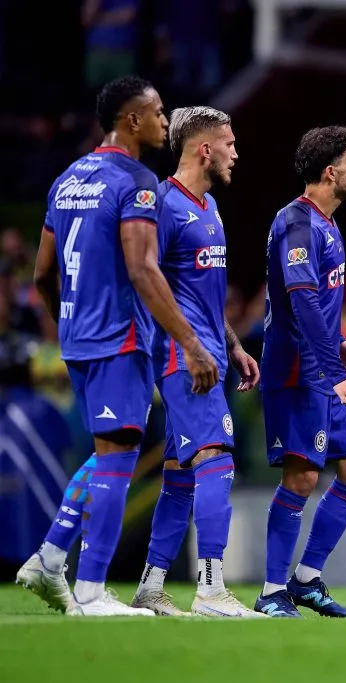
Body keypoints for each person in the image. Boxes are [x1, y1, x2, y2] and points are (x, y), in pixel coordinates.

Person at [16, 75, 219, 616]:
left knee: (110, 450)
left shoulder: (67, 178)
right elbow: (143, 268)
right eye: (156, 113)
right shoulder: (137, 180)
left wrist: (67, 318)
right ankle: (90, 589)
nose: (163, 120)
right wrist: (191, 344)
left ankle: (51, 555)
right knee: (119, 457)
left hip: (78, 337)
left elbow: (42, 272)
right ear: (132, 120)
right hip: (119, 336)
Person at [128, 106, 262, 618]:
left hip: (209, 354)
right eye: (229, 143)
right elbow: (146, 282)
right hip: (183, 359)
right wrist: (188, 346)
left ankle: (151, 585)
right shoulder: (162, 205)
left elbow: (201, 294)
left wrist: (231, 344)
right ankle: (210, 587)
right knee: (217, 461)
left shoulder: (207, 206)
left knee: (182, 474)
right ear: (204, 149)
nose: (235, 152)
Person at [254, 126, 346, 619]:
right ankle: (270, 591)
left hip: (322, 369)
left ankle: (306, 579)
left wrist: (337, 341)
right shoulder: (297, 224)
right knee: (301, 479)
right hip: (299, 375)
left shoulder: (327, 223)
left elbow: (312, 303)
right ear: (330, 171)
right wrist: (332, 370)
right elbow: (300, 301)